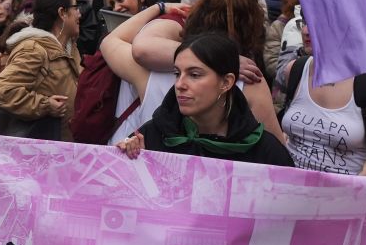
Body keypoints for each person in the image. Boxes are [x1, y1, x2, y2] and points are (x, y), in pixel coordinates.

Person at [116, 33, 295, 168]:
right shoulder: (151, 136)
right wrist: (126, 159)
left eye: (194, 75)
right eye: (177, 73)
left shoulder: (263, 150)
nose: (180, 84)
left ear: (226, 82)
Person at [277, 9, 366, 177]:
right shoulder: (295, 69)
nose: (305, 30)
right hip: (291, 190)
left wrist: (349, 192)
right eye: (304, 22)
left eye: (316, 24)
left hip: (344, 196)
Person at [0, 0, 81, 141]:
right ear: (62, 13)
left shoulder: (70, 47)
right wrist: (45, 105)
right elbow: (3, 90)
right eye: (75, 8)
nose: (80, 13)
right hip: (44, 149)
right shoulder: (33, 49)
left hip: (68, 144)